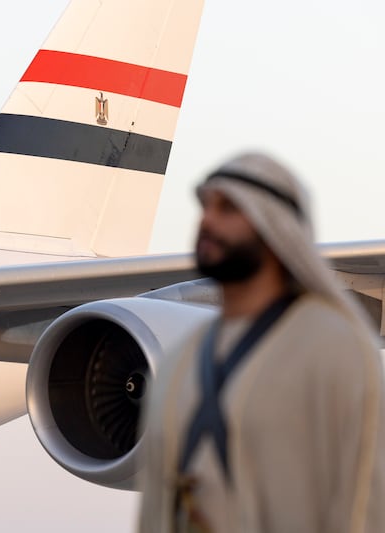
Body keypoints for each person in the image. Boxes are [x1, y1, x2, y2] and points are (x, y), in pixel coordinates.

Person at [137, 153, 385, 533]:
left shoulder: (337, 352)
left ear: (275, 228)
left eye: (229, 208)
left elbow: (365, 501)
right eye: (206, 205)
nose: (208, 220)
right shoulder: (181, 359)